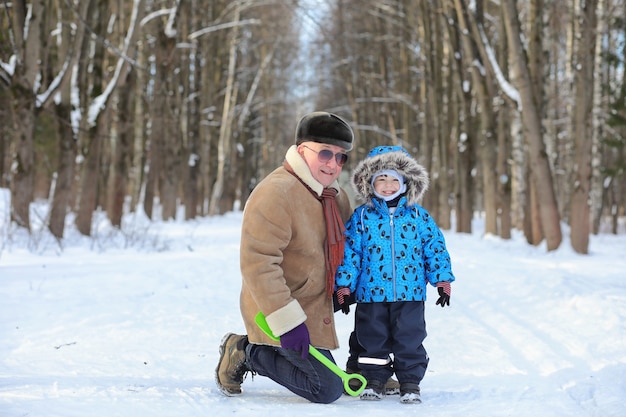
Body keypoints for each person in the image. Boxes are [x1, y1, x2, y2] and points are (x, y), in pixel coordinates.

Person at [215, 112, 355, 404]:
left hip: (314, 309)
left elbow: (349, 247)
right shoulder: (276, 193)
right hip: (275, 311)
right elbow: (259, 264)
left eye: (341, 157)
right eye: (325, 153)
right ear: (302, 150)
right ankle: (246, 351)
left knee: (334, 382)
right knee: (325, 388)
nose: (333, 164)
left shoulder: (334, 197)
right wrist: (287, 322)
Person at [334, 145, 455, 404]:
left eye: (393, 179)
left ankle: (410, 382)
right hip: (371, 293)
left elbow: (434, 247)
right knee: (371, 339)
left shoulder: (418, 217)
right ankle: (374, 380)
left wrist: (442, 279)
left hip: (409, 293)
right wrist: (344, 286)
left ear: (405, 182)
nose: (387, 185)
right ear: (370, 183)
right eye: (381, 179)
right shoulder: (362, 217)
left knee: (409, 338)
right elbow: (350, 253)